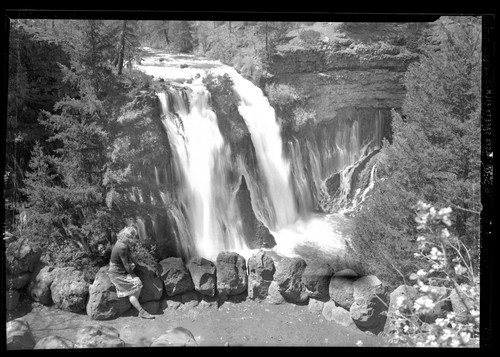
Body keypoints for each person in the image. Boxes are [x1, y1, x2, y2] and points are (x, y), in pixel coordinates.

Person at [108, 226, 155, 319]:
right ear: (129, 236)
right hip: (116, 273)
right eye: (133, 237)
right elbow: (126, 264)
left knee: (137, 287)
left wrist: (137, 264)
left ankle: (135, 305)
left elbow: (129, 256)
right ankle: (141, 311)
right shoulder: (122, 246)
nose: (133, 239)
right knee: (136, 287)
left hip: (119, 270)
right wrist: (134, 276)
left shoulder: (121, 242)